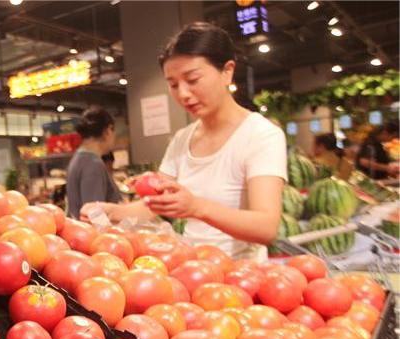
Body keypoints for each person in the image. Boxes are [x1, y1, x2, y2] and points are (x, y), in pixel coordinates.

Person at [85, 22, 286, 259]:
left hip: (241, 277)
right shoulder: (182, 139)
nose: (183, 94)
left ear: (227, 71)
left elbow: (266, 227)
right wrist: (114, 211)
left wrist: (197, 207)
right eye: (173, 84)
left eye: (192, 79)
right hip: (192, 270)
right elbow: (153, 206)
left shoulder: (261, 135)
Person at [65, 107, 122, 218]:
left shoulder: (78, 158)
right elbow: (94, 215)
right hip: (92, 233)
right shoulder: (93, 164)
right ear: (108, 130)